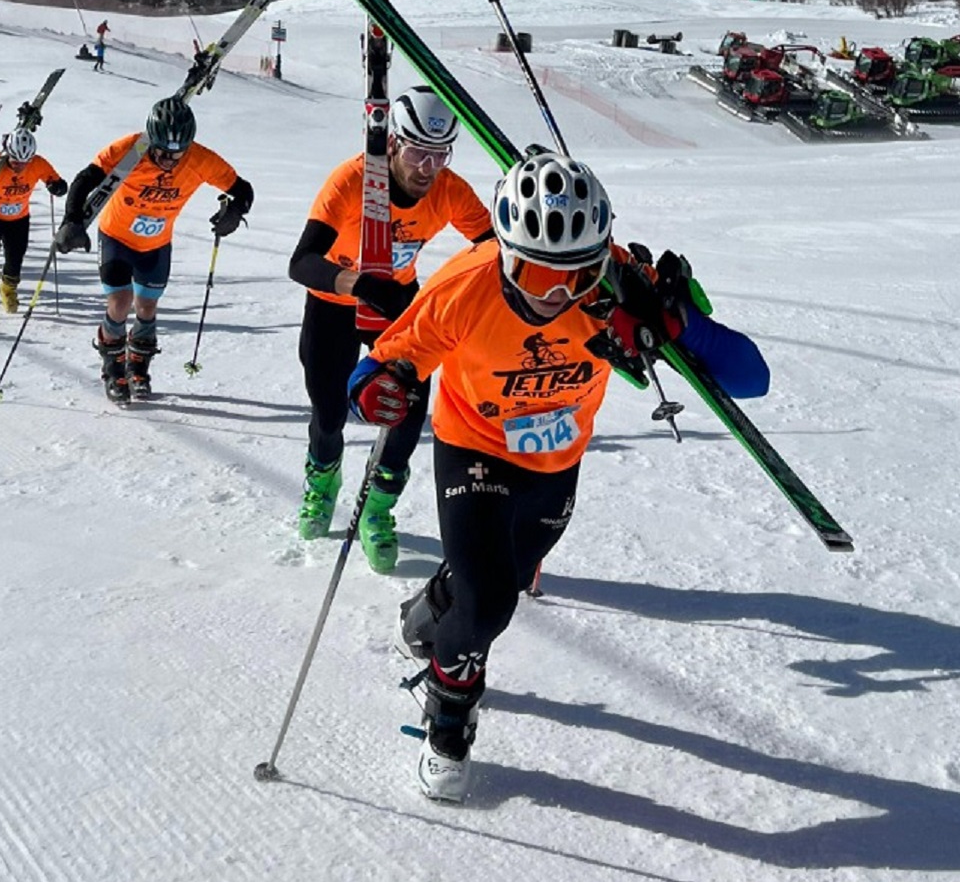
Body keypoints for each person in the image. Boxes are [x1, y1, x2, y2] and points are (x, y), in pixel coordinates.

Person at [348, 150, 770, 802]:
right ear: (503, 246)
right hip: (474, 443)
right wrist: (381, 389)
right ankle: (450, 717)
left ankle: (433, 612)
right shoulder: (466, 284)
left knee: (498, 577)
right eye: (534, 269)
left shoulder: (616, 287)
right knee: (492, 601)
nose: (552, 293)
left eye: (573, 274)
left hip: (555, 461)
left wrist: (675, 322)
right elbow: (381, 364)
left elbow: (751, 377)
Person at [286, 87, 493, 571]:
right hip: (334, 303)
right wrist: (356, 284)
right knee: (329, 411)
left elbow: (491, 247)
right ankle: (322, 483)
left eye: (439, 155)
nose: (428, 168)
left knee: (404, 413)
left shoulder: (449, 190)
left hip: (399, 305)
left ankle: (377, 509)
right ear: (394, 144)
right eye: (419, 152)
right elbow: (302, 262)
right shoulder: (353, 180)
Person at [54, 97, 253, 403]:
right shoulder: (132, 149)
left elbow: (243, 189)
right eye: (162, 152)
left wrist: (235, 212)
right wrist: (72, 221)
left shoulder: (200, 159)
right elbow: (85, 179)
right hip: (116, 237)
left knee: (146, 308)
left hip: (156, 244)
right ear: (151, 140)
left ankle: (138, 367)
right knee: (120, 303)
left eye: (178, 154)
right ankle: (113, 366)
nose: (170, 160)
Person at [0, 127, 66, 311]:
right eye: (15, 162)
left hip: (18, 218)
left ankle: (8, 289)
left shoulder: (37, 163)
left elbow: (56, 180)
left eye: (25, 162)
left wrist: (58, 187)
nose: (19, 166)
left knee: (15, 257)